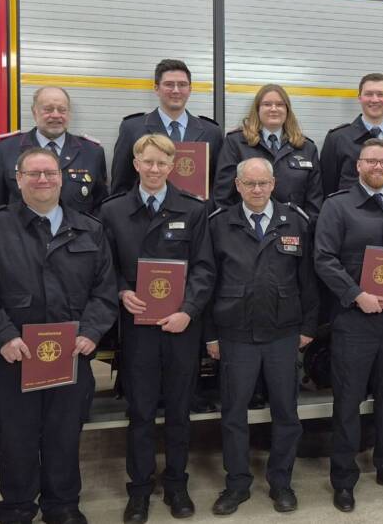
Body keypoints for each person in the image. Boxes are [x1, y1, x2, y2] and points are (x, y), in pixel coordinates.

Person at [0, 147, 119, 524]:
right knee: (15, 439)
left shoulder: (90, 229)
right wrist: (2, 336)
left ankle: (62, 505)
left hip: (70, 356)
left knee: (64, 435)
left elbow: (104, 290)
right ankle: (17, 508)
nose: (43, 180)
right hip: (11, 357)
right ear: (18, 180)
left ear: (61, 177)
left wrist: (91, 333)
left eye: (49, 173)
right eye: (33, 174)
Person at [97, 134, 215, 522]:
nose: (154, 169)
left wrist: (189, 310)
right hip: (137, 327)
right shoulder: (113, 212)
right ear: (135, 164)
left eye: (162, 163)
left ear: (172, 166)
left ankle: (177, 484)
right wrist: (120, 291)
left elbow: (204, 268)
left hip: (181, 326)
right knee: (142, 411)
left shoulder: (195, 210)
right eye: (147, 162)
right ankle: (140, 490)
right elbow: (102, 267)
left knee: (180, 411)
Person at [315, 138, 383, 513]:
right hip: (354, 318)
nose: (378, 167)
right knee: (347, 400)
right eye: (371, 161)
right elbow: (324, 258)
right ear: (358, 165)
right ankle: (344, 480)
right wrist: (355, 294)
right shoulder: (338, 205)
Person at [205, 157, 319, 515]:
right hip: (235, 333)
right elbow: (206, 282)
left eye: (263, 183)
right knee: (234, 414)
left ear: (274, 184)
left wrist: (307, 328)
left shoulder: (296, 221)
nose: (256, 190)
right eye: (249, 184)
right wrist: (210, 334)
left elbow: (309, 281)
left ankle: (281, 482)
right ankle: (236, 484)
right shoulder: (219, 224)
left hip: (284, 333)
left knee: (286, 412)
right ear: (237, 186)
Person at [109, 59, 224, 199]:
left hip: (196, 217)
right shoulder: (132, 129)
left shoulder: (211, 132)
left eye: (182, 85)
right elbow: (121, 185)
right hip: (146, 217)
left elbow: (220, 186)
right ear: (156, 89)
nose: (176, 90)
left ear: (190, 89)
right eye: (169, 84)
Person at [0, 86, 108, 214]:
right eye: (48, 109)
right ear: (35, 112)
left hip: (76, 232)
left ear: (69, 113)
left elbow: (100, 207)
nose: (56, 115)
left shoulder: (92, 152)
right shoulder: (6, 149)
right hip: (21, 233)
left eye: (62, 110)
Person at [212, 84, 323, 219]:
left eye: (280, 104)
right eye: (267, 104)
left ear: (287, 110)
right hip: (246, 230)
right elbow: (223, 195)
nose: (273, 109)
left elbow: (314, 202)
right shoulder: (235, 143)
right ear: (257, 109)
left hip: (293, 231)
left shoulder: (306, 148)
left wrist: (307, 231)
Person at [320, 72, 383, 195]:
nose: (374, 99)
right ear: (359, 98)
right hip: (349, 213)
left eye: (380, 94)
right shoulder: (337, 139)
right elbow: (327, 188)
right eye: (369, 94)